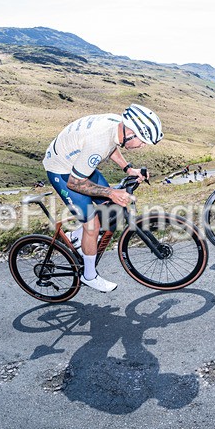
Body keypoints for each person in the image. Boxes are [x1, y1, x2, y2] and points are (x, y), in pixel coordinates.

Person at [42, 104, 163, 293]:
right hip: (63, 172)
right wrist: (112, 192)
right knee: (93, 224)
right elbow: (75, 183)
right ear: (131, 132)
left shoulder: (117, 127)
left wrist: (129, 169)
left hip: (78, 163)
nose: (143, 146)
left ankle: (77, 238)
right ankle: (89, 275)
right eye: (143, 140)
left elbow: (112, 146)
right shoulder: (98, 142)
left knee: (109, 205)